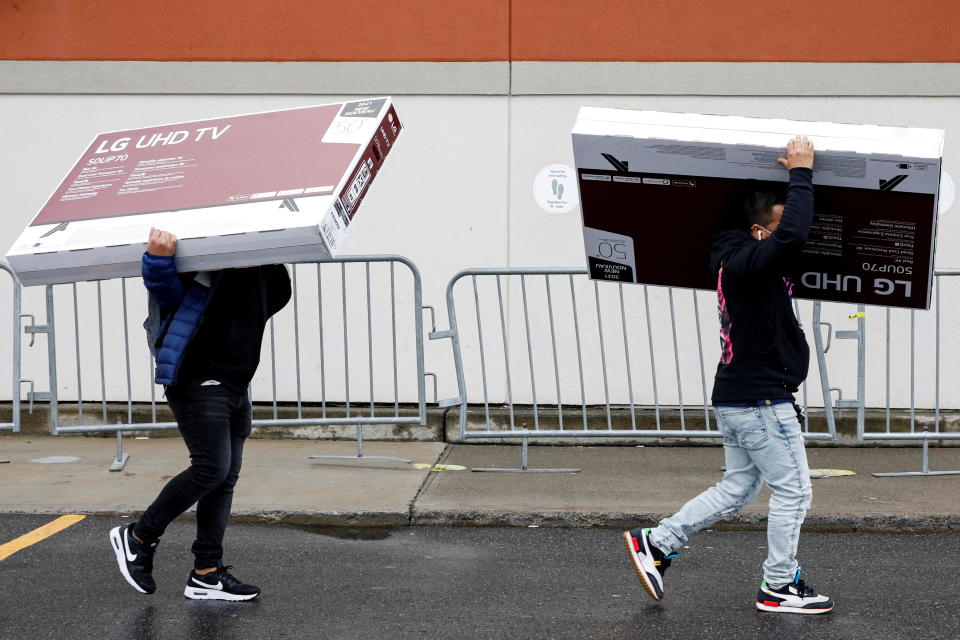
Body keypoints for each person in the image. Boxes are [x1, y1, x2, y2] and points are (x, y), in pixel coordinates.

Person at [622, 136, 834, 614]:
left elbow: (789, 236)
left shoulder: (739, 258)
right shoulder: (748, 263)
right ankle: (778, 585)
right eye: (778, 228)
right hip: (760, 402)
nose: (792, 237)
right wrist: (801, 172)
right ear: (761, 231)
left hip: (742, 398)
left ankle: (658, 542)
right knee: (795, 490)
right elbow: (794, 235)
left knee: (738, 488)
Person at [110, 228, 291, 601]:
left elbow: (277, 297)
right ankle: (138, 536)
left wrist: (269, 255)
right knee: (210, 467)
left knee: (223, 477)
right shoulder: (202, 244)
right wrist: (158, 260)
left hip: (235, 380)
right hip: (198, 375)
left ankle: (206, 573)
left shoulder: (253, 252)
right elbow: (168, 297)